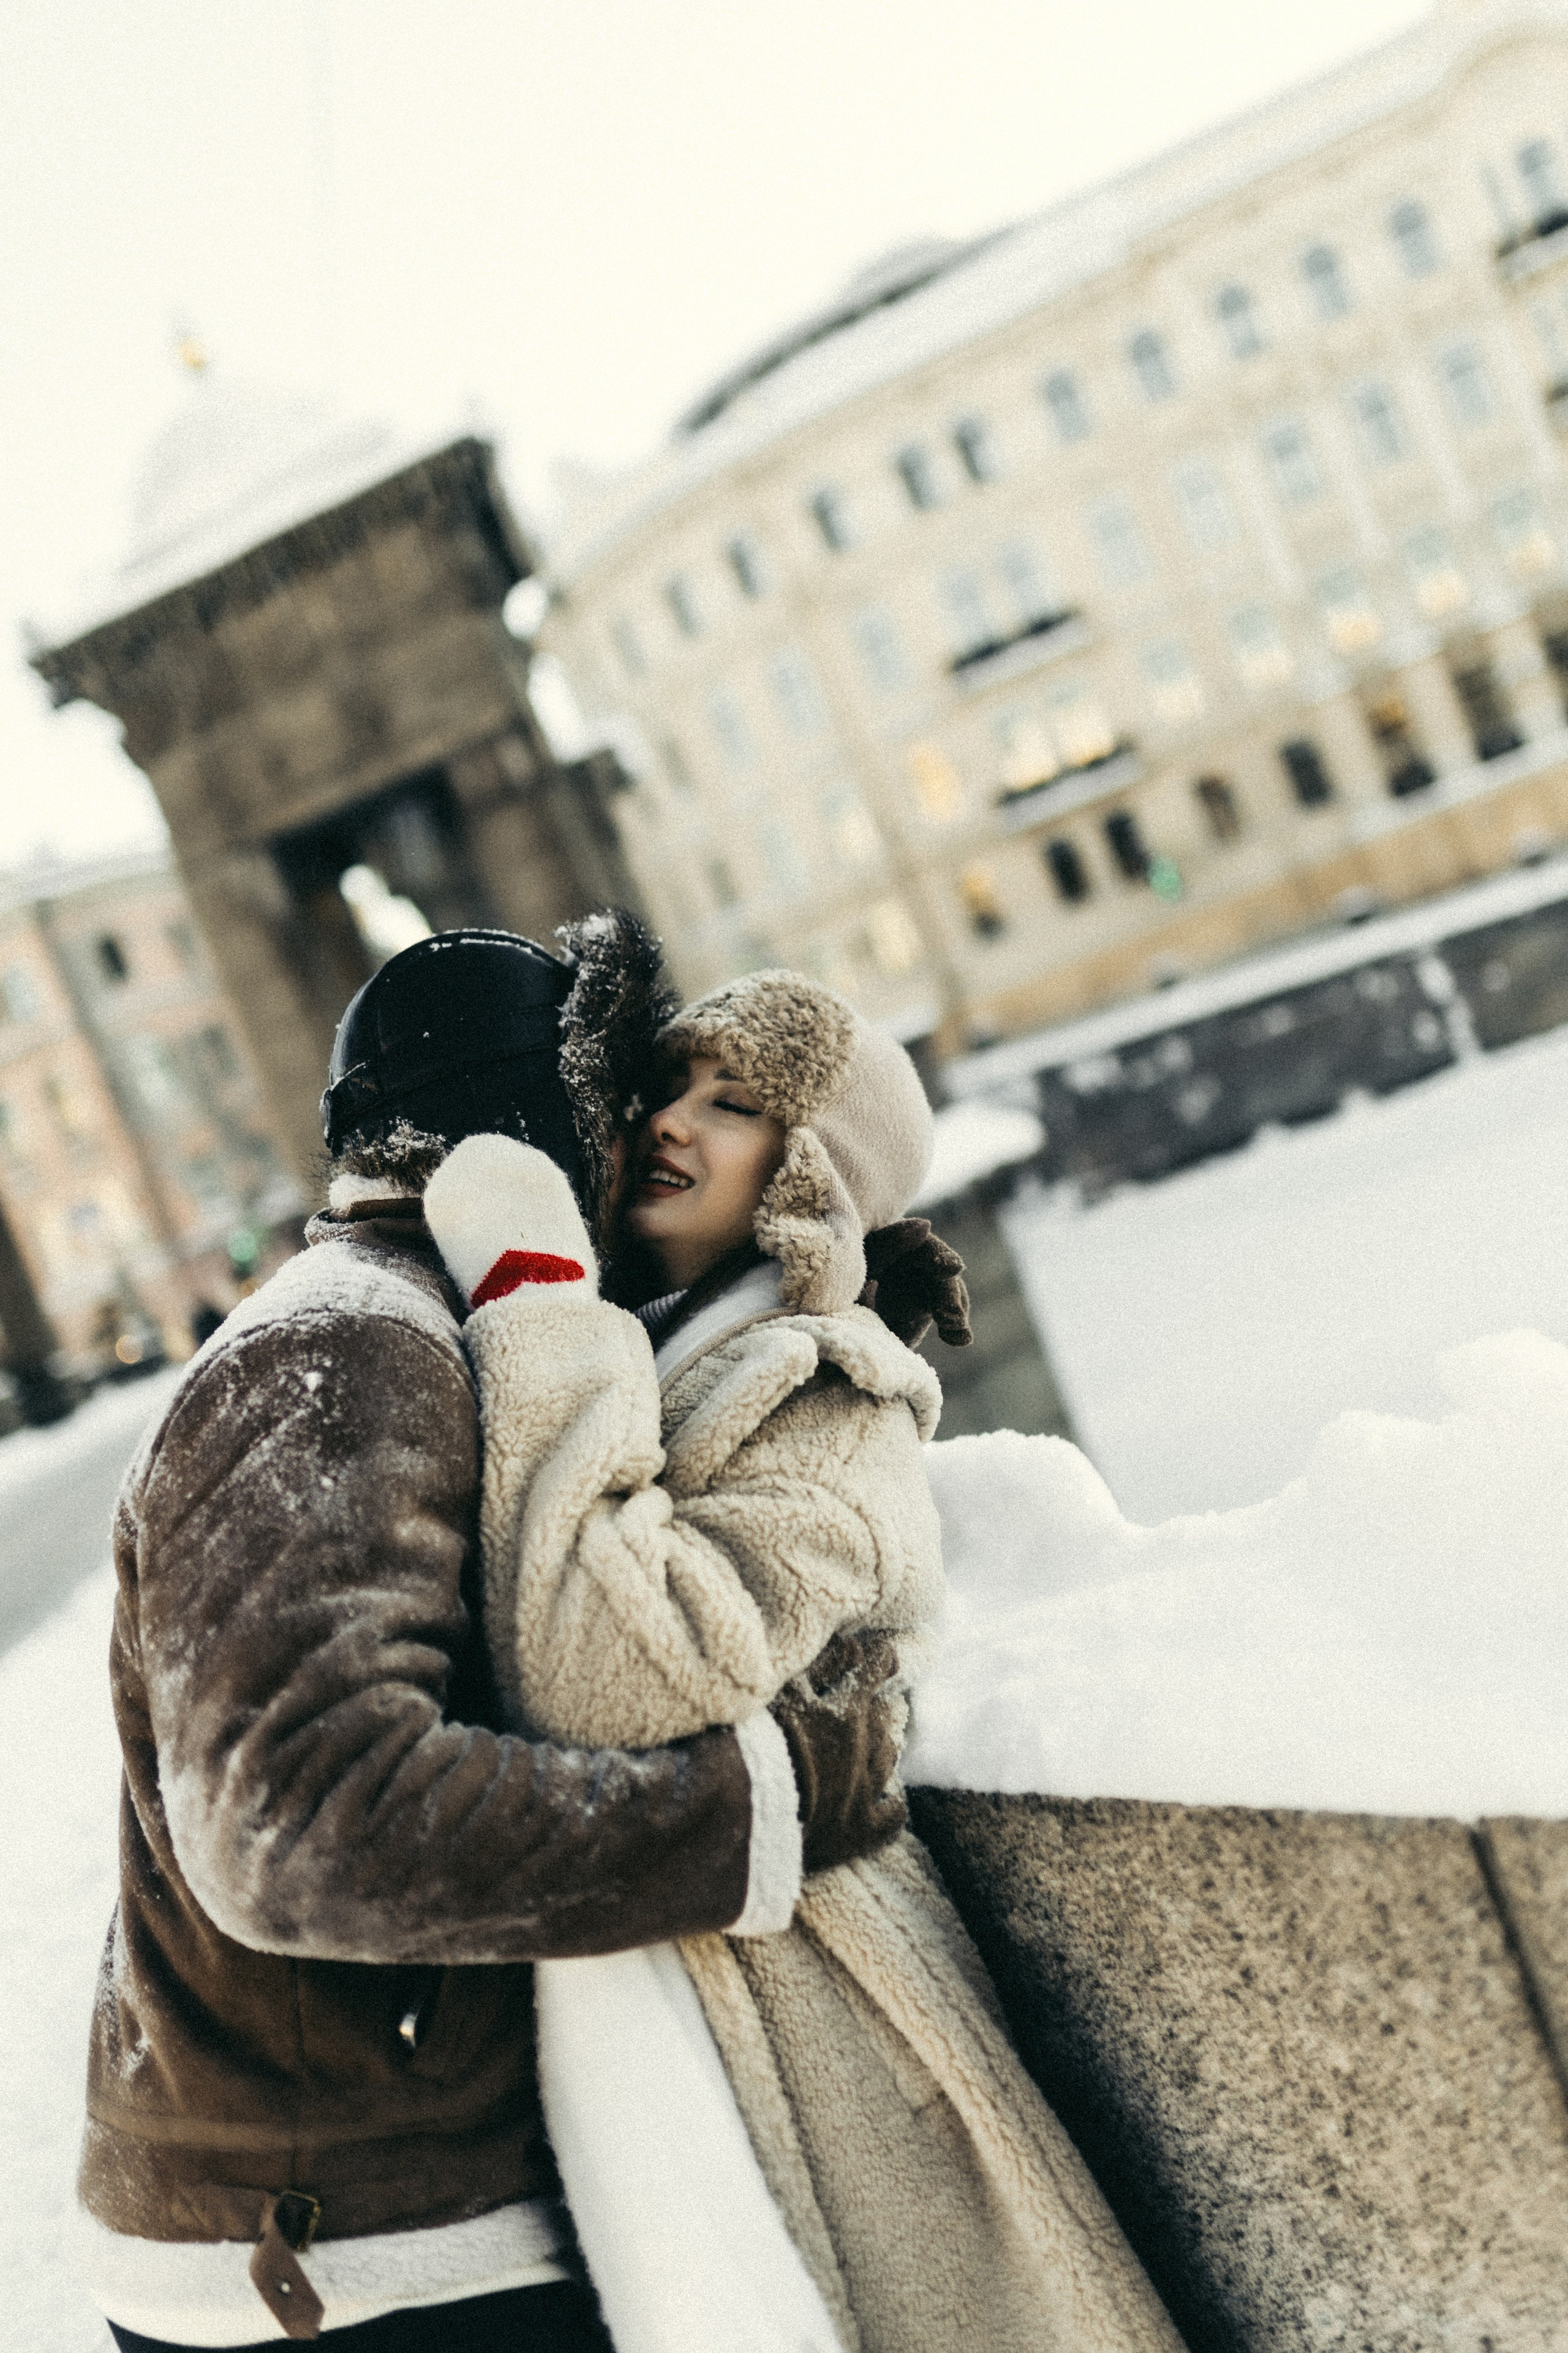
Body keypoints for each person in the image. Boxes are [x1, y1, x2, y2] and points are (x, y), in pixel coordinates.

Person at [80, 919, 911, 2353]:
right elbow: (303, 1826)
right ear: (539, 1121)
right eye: (624, 1099)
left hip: (364, 2221)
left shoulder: (405, 1326)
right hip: (346, 2255)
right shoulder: (346, 1353)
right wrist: (750, 1811)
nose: (643, 1139)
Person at [421, 969, 1183, 2353]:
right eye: (665, 1087)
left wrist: (531, 1292)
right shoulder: (664, 1361)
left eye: (735, 1105)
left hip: (825, 2056)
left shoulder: (827, 1412)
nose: (669, 1125)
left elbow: (606, 1675)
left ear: (809, 1179)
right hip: (676, 2024)